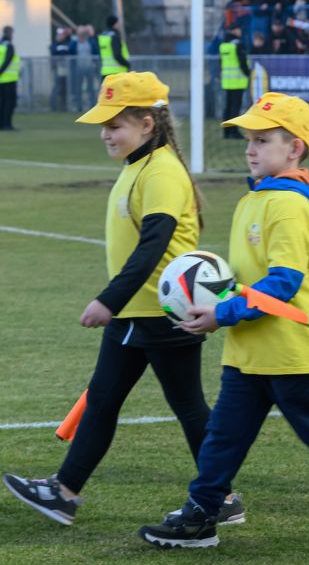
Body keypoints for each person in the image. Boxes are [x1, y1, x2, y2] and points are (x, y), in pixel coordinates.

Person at [138, 93, 309, 547]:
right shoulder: (254, 199)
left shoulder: (290, 206)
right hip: (248, 349)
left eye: (263, 139)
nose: (250, 149)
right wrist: (212, 297)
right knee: (222, 438)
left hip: (288, 349)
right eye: (248, 140)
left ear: (295, 149)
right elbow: (248, 279)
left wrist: (221, 313)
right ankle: (201, 513)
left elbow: (282, 285)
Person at [4, 72, 216, 526]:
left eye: (115, 125)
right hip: (139, 312)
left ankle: (221, 492)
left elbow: (154, 244)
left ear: (146, 124)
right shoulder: (139, 166)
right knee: (108, 400)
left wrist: (108, 300)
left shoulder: (161, 171)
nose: (106, 133)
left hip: (157, 313)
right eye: (103, 125)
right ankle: (64, 491)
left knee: (185, 407)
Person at [219, 24, 249, 139]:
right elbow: (242, 62)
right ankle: (234, 131)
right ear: (235, 30)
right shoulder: (237, 44)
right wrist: (247, 73)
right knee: (235, 108)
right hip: (238, 81)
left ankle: (226, 132)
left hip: (227, 81)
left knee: (228, 107)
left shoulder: (224, 45)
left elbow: (221, 62)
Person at [50, 26, 77, 113]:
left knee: (64, 88)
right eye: (60, 35)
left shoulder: (67, 43)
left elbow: (71, 50)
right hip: (58, 69)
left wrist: (69, 33)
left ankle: (63, 106)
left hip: (66, 69)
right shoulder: (54, 44)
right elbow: (55, 52)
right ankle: (53, 106)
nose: (62, 36)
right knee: (57, 87)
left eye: (63, 34)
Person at [96, 15, 129, 83]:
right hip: (118, 73)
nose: (119, 25)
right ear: (114, 24)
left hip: (105, 73)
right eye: (118, 23)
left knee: (107, 93)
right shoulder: (114, 37)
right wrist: (127, 64)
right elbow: (117, 55)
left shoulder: (102, 36)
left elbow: (100, 54)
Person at [0, 25, 17, 130]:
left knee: (2, 102)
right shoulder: (9, 45)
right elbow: (8, 60)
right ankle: (7, 124)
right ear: (9, 33)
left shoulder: (1, 44)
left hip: (2, 80)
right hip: (9, 79)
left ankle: (2, 124)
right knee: (10, 103)